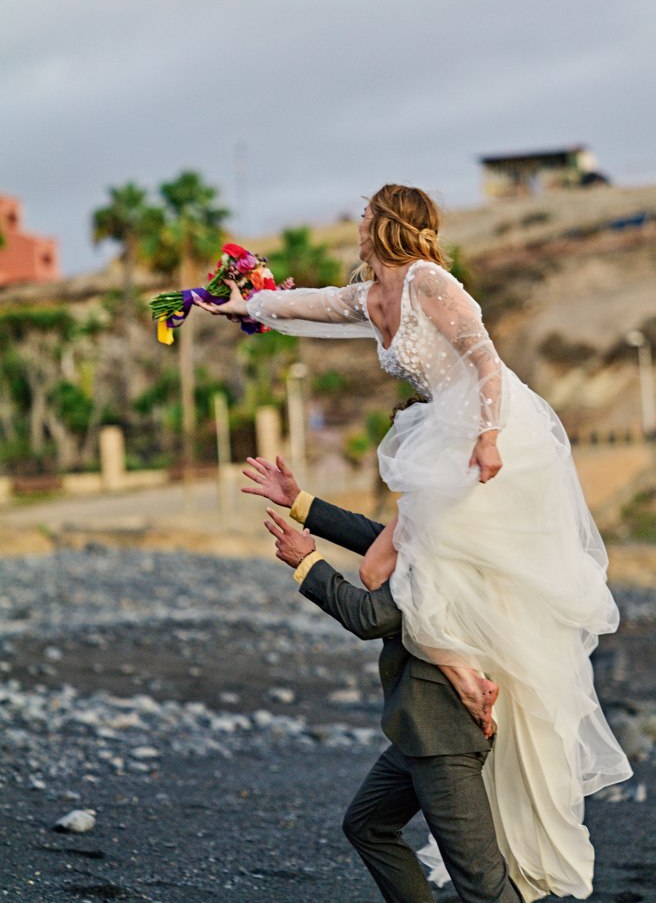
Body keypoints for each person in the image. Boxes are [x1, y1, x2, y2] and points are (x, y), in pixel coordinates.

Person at [194, 184, 632, 900]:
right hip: (441, 434)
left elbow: (484, 359)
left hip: (484, 434)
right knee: (420, 567)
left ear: (388, 223)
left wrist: (489, 436)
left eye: (367, 212)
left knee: (393, 574)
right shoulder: (371, 296)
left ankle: (463, 678)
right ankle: (467, 675)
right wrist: (244, 304)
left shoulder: (428, 280)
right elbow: (308, 304)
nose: (357, 221)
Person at [246, 453, 523, 903]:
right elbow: (380, 540)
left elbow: (371, 617)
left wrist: (308, 563)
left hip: (444, 736)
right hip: (419, 729)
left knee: (482, 885)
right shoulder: (443, 527)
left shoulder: (445, 550)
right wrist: (299, 502)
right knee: (368, 826)